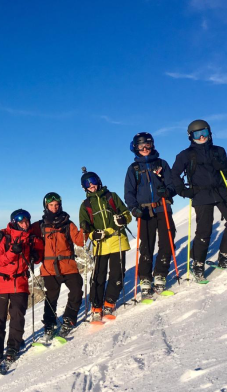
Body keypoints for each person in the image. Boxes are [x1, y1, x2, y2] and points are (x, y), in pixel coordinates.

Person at [171, 120, 227, 279]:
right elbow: (173, 175)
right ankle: (198, 263)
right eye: (197, 134)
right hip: (200, 194)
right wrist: (183, 190)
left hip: (221, 192)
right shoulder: (185, 155)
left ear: (210, 133)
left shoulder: (219, 151)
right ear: (190, 136)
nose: (202, 137)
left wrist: (222, 167)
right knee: (204, 230)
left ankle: (225, 254)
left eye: (205, 132)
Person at [123, 132, 177, 298]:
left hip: (163, 209)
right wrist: (133, 208)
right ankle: (145, 278)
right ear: (135, 148)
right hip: (144, 211)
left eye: (148, 145)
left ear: (152, 145)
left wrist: (166, 191)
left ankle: (160, 273)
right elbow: (129, 192)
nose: (145, 148)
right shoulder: (134, 169)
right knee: (146, 245)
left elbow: (172, 185)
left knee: (167, 242)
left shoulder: (162, 164)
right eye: (141, 146)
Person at [0, 209, 43, 366]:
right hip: (1, 285)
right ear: (15, 223)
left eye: (27, 221)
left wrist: (35, 257)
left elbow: (38, 253)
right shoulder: (5, 238)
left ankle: (13, 347)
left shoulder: (31, 238)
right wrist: (13, 252)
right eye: (21, 222)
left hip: (19, 283)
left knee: (17, 317)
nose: (25, 224)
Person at [78, 171, 131, 320]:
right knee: (98, 276)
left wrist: (123, 219)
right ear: (84, 188)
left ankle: (110, 302)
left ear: (99, 181)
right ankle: (96, 306)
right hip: (100, 244)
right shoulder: (85, 205)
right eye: (87, 184)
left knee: (117, 273)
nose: (91, 185)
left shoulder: (111, 197)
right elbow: (85, 226)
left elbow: (127, 214)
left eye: (93, 181)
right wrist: (91, 235)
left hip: (117, 239)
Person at [33, 192, 85, 338]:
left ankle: (69, 318)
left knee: (76, 290)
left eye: (56, 205)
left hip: (68, 266)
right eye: (51, 205)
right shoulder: (40, 225)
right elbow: (22, 232)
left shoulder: (68, 223)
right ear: (46, 206)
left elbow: (80, 241)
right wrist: (4, 233)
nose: (54, 208)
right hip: (49, 269)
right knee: (51, 298)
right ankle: (49, 324)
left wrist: (85, 228)